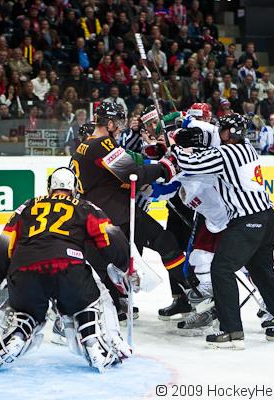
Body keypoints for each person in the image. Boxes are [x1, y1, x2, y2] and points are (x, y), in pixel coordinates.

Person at [0, 168, 133, 372]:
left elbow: (5, 243)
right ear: (74, 189)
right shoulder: (85, 206)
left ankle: (18, 336)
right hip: (68, 268)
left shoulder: (27, 206)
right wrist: (123, 264)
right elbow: (110, 236)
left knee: (28, 309)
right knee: (92, 298)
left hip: (24, 269)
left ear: (50, 188)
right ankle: (93, 342)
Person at [169, 113, 274, 347]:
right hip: (267, 218)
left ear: (229, 133)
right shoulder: (247, 148)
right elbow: (210, 154)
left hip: (247, 220)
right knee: (262, 271)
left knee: (221, 269)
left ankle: (232, 331)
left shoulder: (227, 153)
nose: (219, 134)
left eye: (222, 131)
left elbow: (191, 164)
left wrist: (176, 147)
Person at [69, 102, 190, 320]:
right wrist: (166, 166)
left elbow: (120, 172)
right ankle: (190, 292)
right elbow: (132, 174)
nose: (122, 127)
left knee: (114, 262)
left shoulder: (84, 146)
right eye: (120, 122)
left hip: (99, 216)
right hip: (118, 214)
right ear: (110, 122)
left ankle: (116, 304)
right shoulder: (102, 144)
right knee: (166, 243)